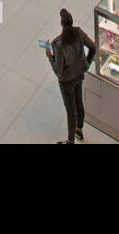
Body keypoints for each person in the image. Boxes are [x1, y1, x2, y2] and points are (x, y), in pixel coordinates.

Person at [46, 8, 95, 144]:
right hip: (79, 75)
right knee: (79, 102)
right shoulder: (79, 33)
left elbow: (58, 71)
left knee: (70, 110)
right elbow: (93, 48)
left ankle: (70, 140)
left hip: (66, 81)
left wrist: (50, 56)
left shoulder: (58, 44)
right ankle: (79, 129)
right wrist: (86, 64)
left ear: (62, 24)